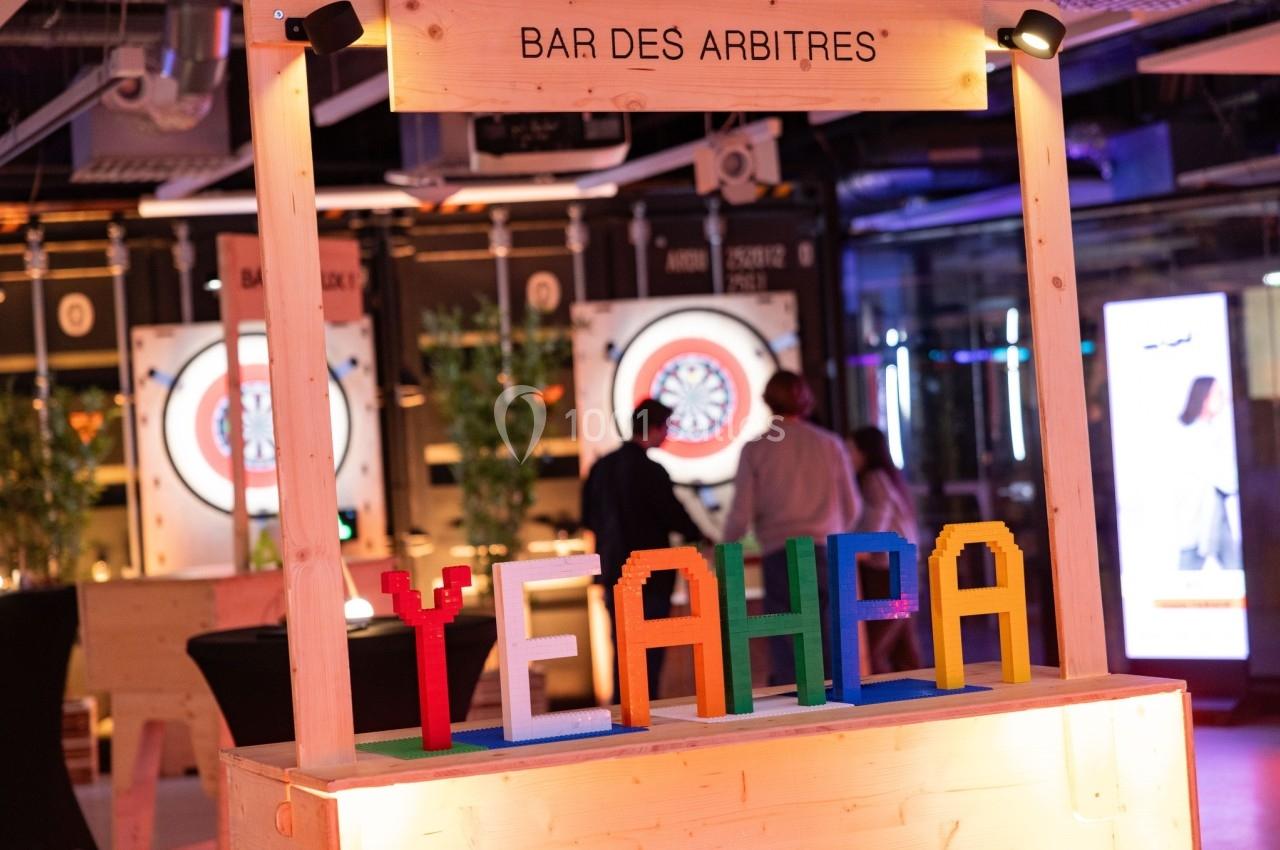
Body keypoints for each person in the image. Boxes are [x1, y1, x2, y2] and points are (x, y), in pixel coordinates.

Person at [723, 371, 861, 686]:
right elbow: (852, 506)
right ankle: (834, 699)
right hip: (824, 550)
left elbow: (740, 513)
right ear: (806, 400)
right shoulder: (830, 444)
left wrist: (724, 548)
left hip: (778, 552)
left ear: (767, 401)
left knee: (785, 633)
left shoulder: (756, 449)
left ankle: (793, 701)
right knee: (827, 627)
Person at [581, 398, 705, 702]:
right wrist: (703, 537)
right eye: (666, 428)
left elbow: (588, 518)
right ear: (654, 428)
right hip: (652, 576)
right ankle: (645, 719)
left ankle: (621, 720)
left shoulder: (601, 468)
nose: (668, 435)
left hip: (614, 573)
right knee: (649, 656)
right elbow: (676, 518)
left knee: (621, 651)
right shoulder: (652, 471)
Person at [849, 426, 923, 673]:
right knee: (903, 645)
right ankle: (914, 699)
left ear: (865, 451)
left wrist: (862, 548)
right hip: (902, 563)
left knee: (876, 645)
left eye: (851, 449)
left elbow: (879, 516)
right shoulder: (888, 477)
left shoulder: (874, 478)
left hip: (889, 566)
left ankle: (879, 701)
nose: (848, 456)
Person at [1176, 376, 1241, 571]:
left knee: (1235, 571)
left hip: (1215, 518)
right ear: (1204, 398)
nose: (1224, 398)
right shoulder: (1197, 435)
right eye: (1218, 394)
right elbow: (1226, 480)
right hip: (1199, 521)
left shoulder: (1210, 431)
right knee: (1187, 576)